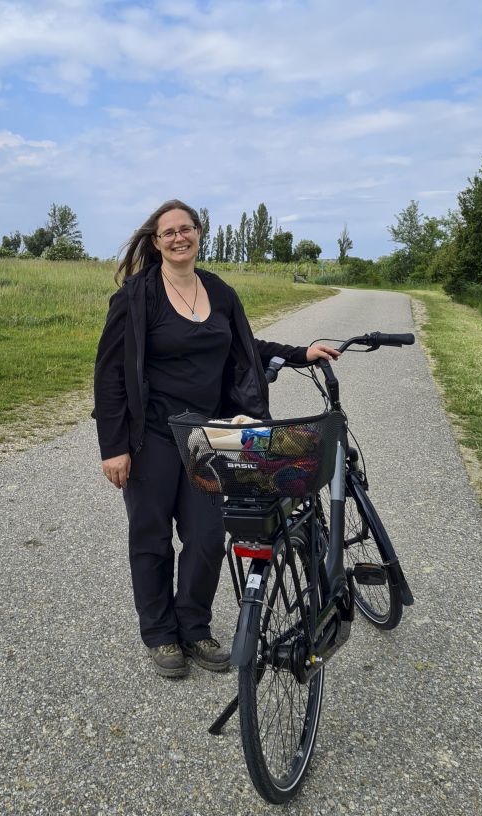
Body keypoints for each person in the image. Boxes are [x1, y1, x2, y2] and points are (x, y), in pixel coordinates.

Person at [94, 199, 339, 678]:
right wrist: (113, 446)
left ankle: (194, 626)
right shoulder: (136, 296)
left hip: (210, 437)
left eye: (187, 229)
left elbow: (244, 345)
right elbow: (109, 376)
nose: (179, 238)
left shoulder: (219, 291)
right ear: (156, 241)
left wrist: (299, 352)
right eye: (169, 232)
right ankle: (160, 634)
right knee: (151, 536)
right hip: (154, 437)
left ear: (199, 234)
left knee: (207, 538)